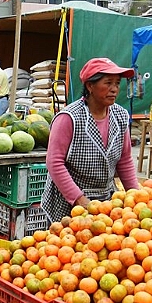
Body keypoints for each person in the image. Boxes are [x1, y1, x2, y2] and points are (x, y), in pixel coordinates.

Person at [41, 57, 140, 223]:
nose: (114, 89)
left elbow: (125, 160)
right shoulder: (69, 118)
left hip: (106, 200)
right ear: (90, 85)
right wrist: (79, 199)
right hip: (68, 202)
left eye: (117, 83)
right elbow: (54, 163)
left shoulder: (121, 116)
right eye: (108, 83)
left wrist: (137, 197)